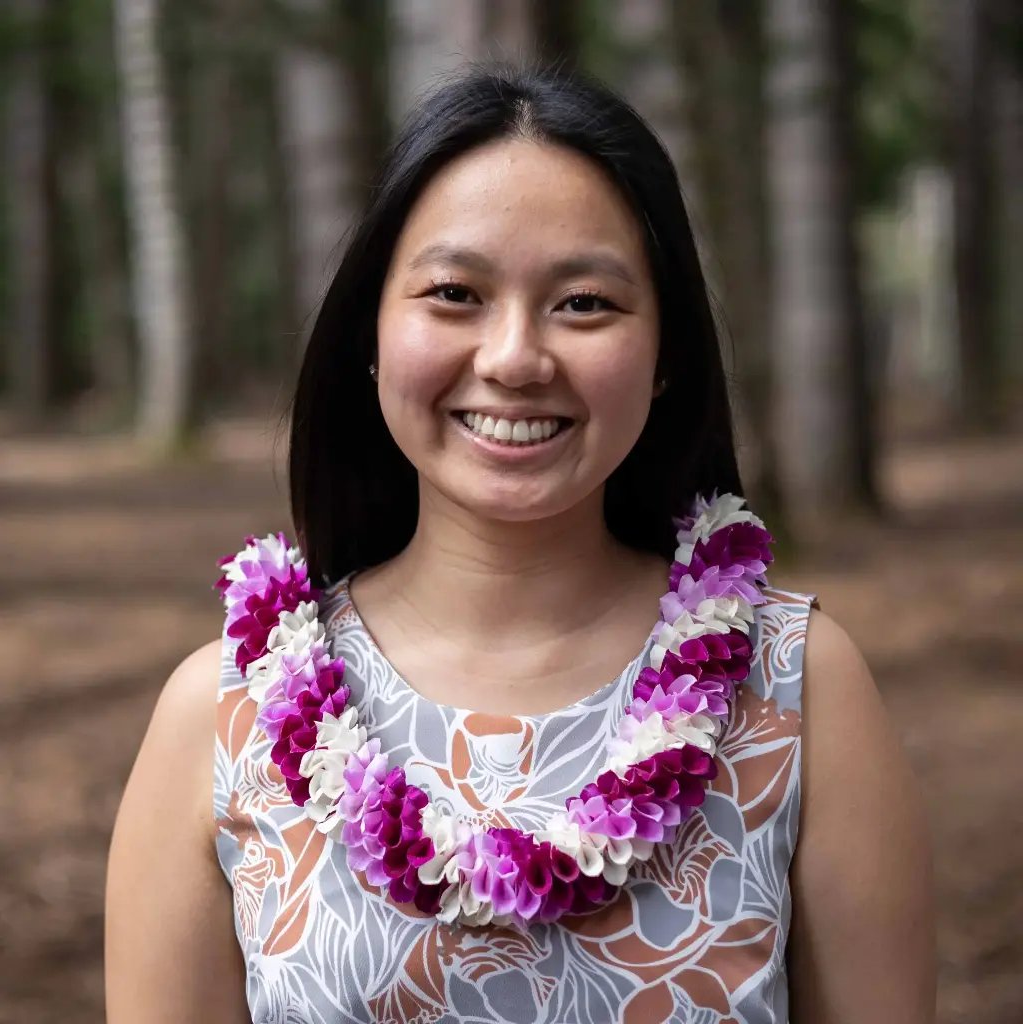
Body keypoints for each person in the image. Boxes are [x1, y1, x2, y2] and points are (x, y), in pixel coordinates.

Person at [105, 64, 935, 1024]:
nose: (513, 359)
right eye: (455, 292)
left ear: (665, 353)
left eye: (583, 302)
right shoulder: (225, 717)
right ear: (370, 332)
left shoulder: (799, 692)